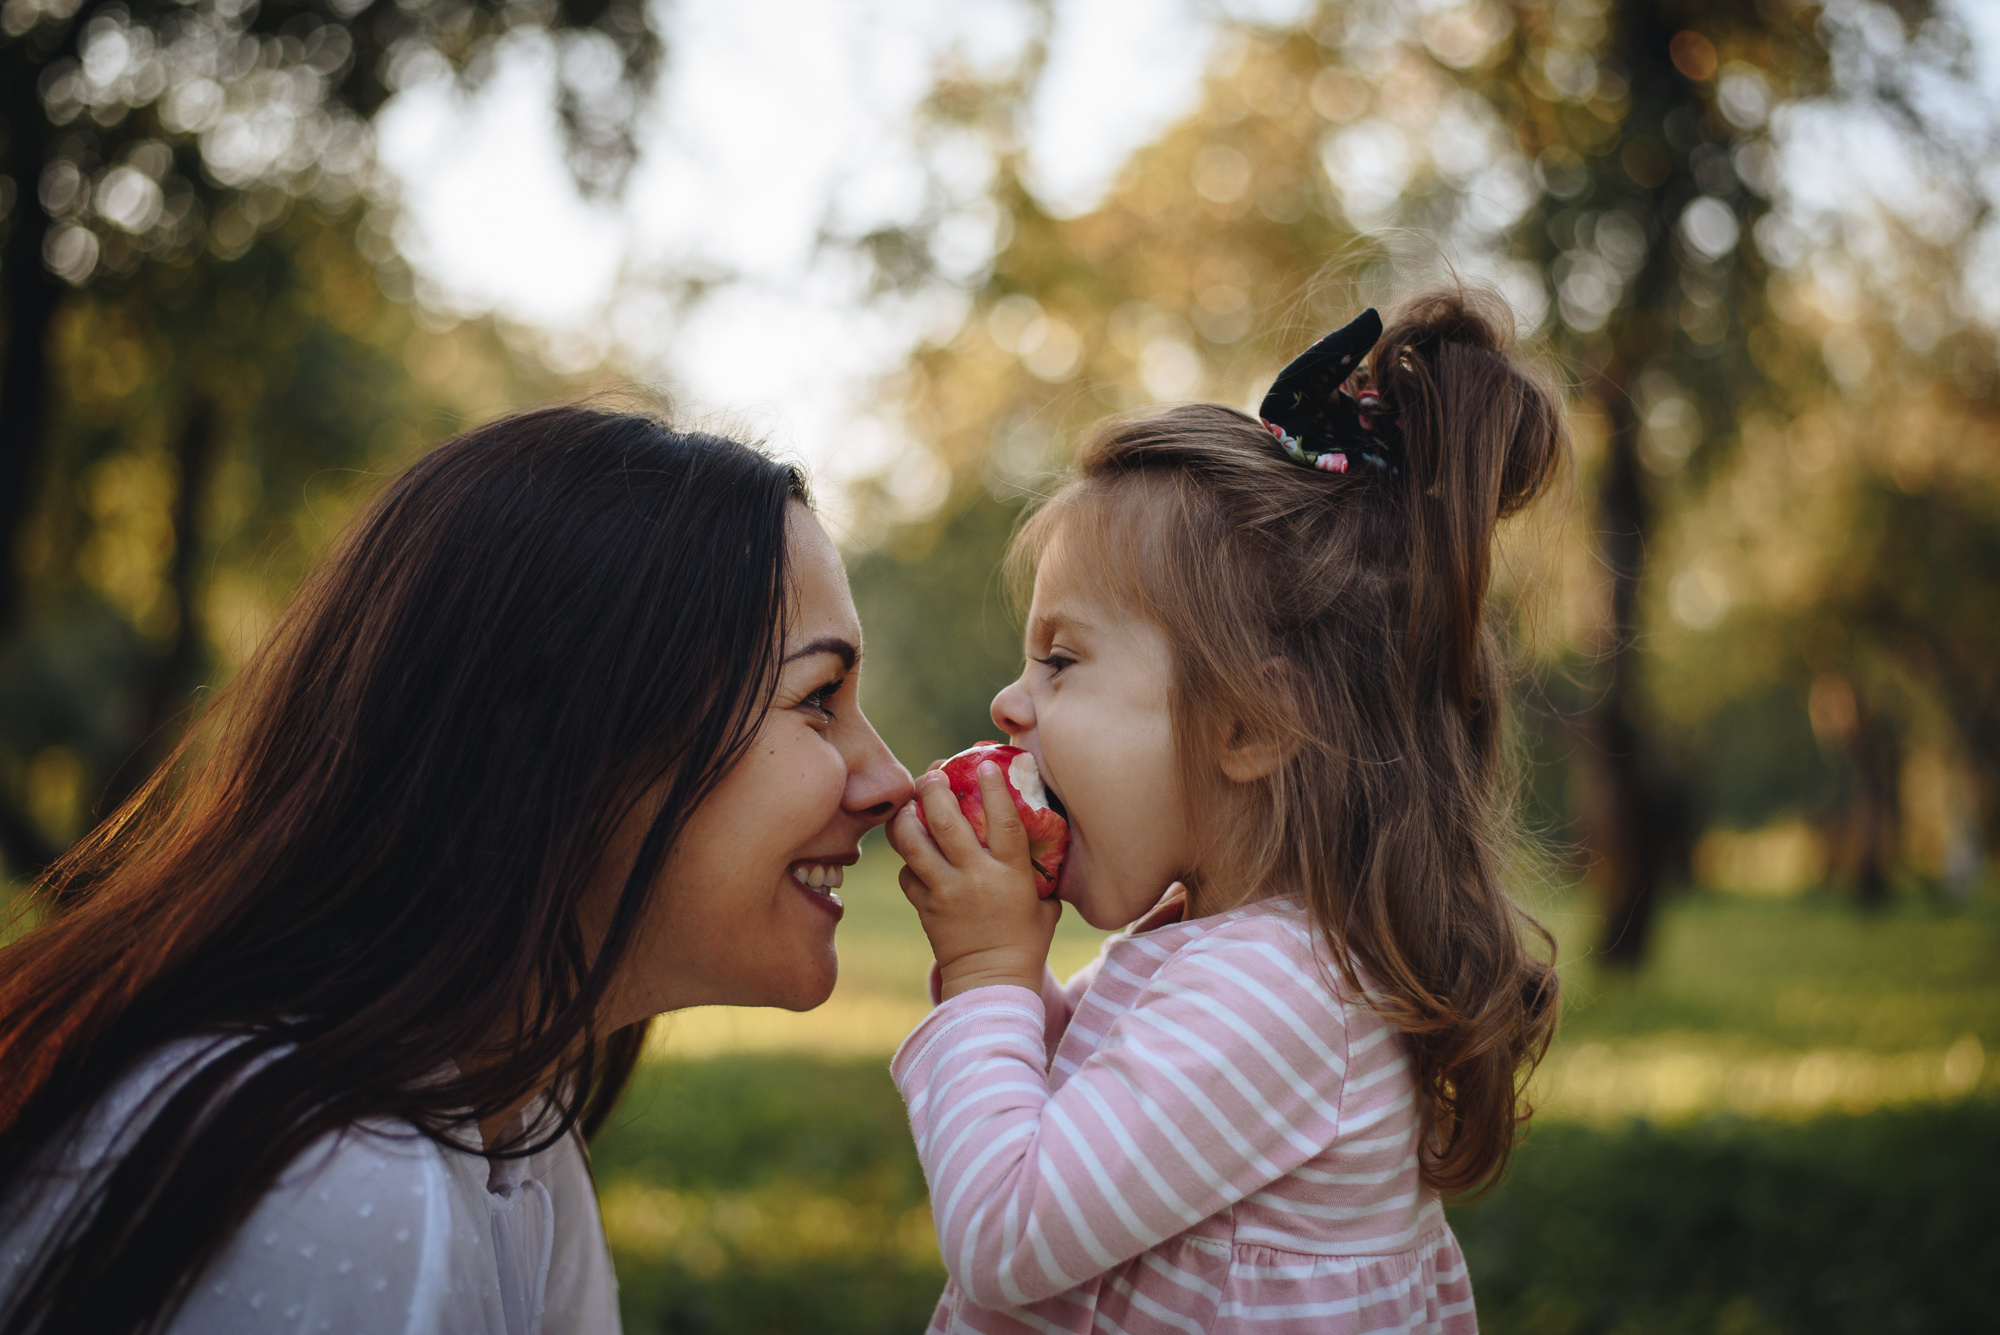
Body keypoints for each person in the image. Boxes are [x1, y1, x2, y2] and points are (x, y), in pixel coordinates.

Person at [0, 405, 913, 1335]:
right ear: (582, 739)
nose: (892, 780)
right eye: (819, 697)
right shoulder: (346, 1186)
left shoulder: (511, 1126)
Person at [887, 290, 1564, 1333]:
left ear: (1250, 725)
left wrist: (989, 974)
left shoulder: (1278, 996)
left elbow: (1008, 1234)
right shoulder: (1245, 962)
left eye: (1061, 661)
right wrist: (1022, 982)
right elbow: (1095, 1120)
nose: (1008, 704)